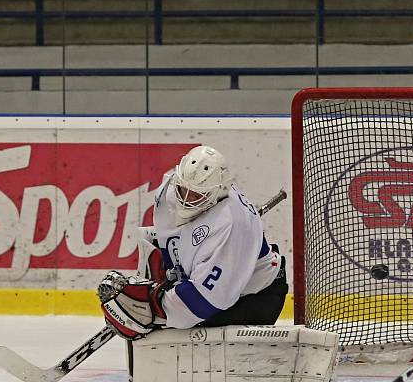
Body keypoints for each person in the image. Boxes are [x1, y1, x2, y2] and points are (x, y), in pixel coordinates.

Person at [98, 145, 287, 340]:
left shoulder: (232, 224)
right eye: (183, 190)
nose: (186, 199)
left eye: (196, 195)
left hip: (255, 298)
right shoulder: (169, 191)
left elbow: (204, 301)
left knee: (169, 329)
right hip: (220, 287)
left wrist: (152, 307)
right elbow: (173, 240)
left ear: (217, 193)